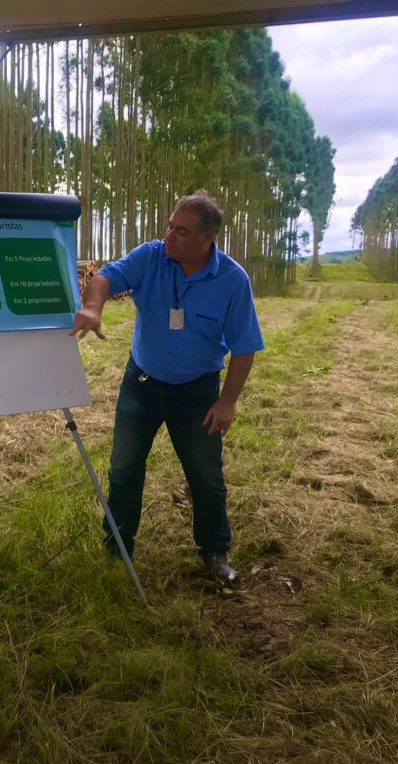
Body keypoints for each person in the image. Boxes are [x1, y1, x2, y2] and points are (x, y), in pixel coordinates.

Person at [70, 189, 264, 585]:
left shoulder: (232, 280)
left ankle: (214, 552)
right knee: (124, 468)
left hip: (197, 393)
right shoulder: (152, 256)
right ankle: (117, 548)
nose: (169, 237)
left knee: (205, 476)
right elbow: (106, 277)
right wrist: (92, 308)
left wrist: (227, 402)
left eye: (182, 231)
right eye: (169, 227)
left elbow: (244, 349)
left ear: (208, 238)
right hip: (141, 384)